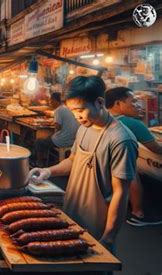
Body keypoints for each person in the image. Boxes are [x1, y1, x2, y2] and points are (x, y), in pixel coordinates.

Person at [28, 76, 138, 251]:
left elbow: (121, 194)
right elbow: (73, 161)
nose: (76, 116)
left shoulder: (121, 140)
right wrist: (47, 171)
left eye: (80, 110)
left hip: (97, 224)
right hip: (72, 212)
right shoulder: (84, 128)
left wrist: (109, 237)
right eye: (72, 111)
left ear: (100, 102)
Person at [105, 87, 162, 226]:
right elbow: (156, 148)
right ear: (118, 104)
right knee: (133, 172)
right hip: (122, 166)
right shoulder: (133, 124)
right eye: (134, 101)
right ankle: (139, 213)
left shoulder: (104, 118)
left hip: (107, 165)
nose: (138, 105)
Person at [35, 92, 79, 167]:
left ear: (55, 101)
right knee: (48, 137)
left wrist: (53, 123)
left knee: (39, 141)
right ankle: (48, 158)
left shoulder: (59, 110)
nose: (50, 103)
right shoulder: (68, 108)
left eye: (51, 101)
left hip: (62, 141)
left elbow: (58, 127)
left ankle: (40, 163)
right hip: (73, 140)